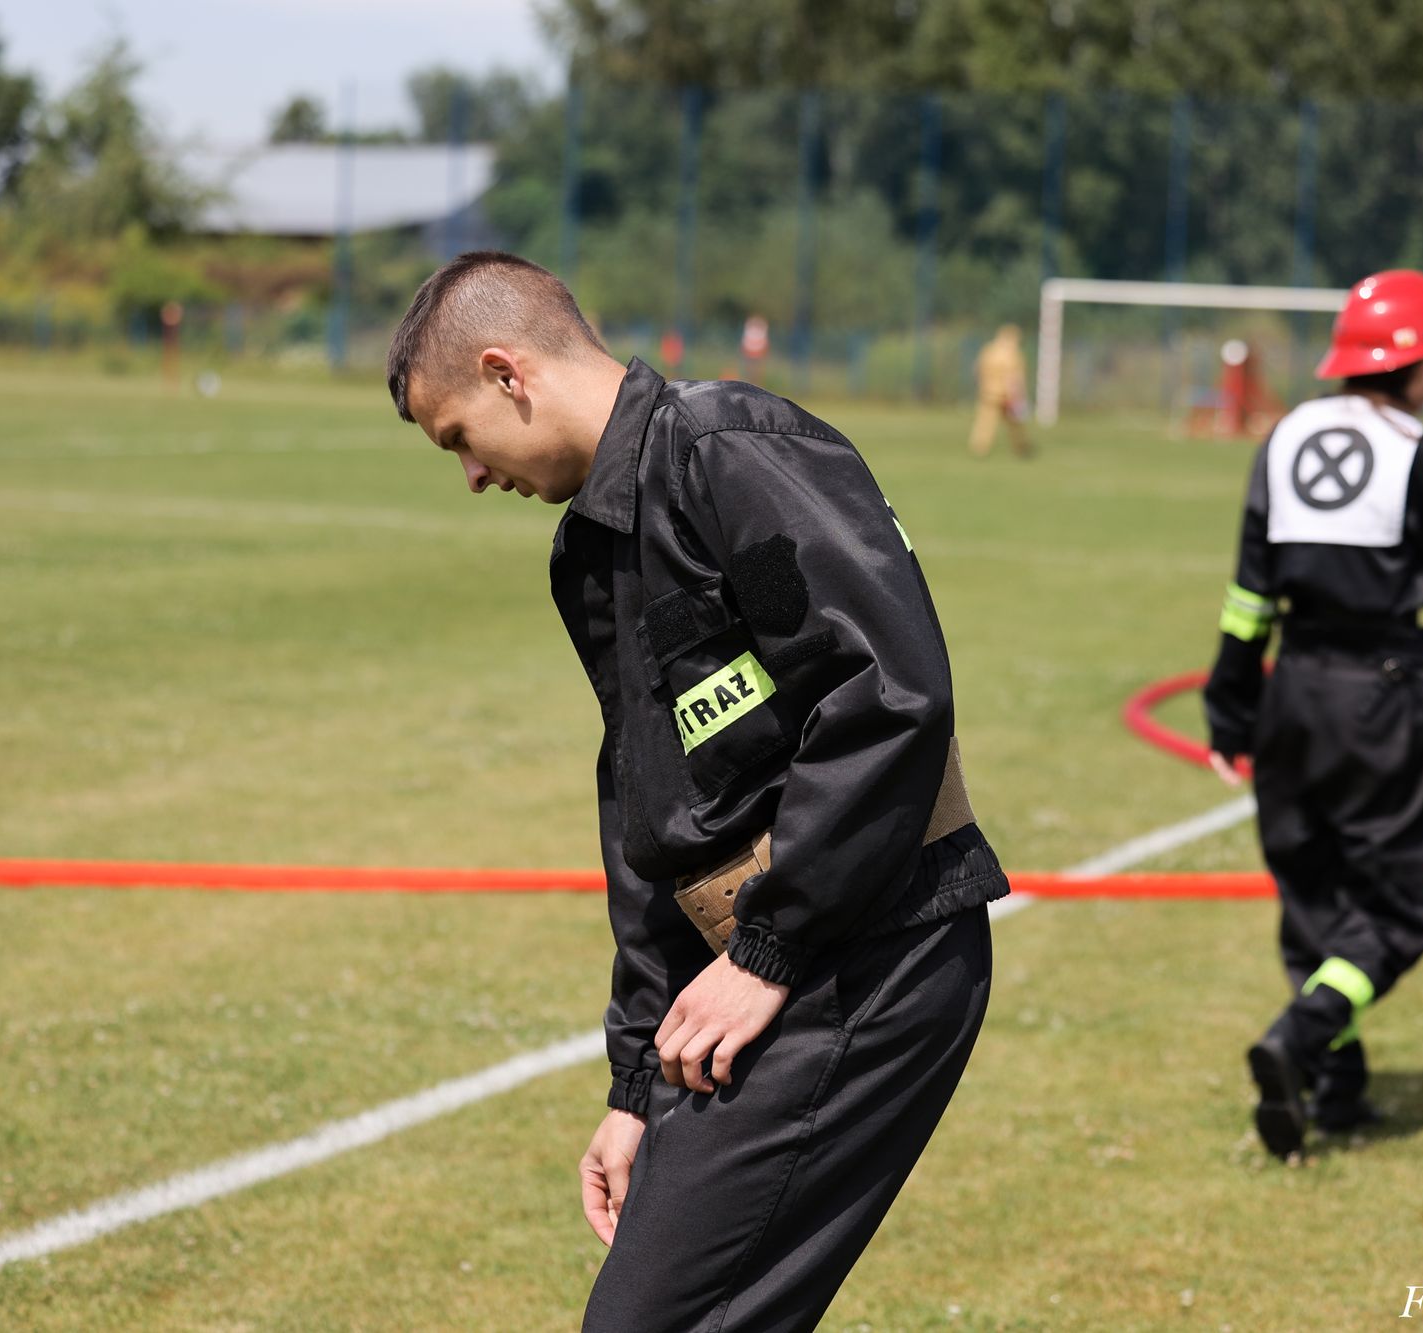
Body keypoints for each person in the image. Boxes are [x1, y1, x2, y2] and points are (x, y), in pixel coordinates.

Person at [385, 251, 1007, 1330]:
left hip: (868, 954)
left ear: (506, 373)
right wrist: (635, 1086)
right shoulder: (593, 548)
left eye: (457, 440)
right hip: (777, 969)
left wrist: (768, 950)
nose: (472, 476)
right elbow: (659, 828)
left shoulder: (730, 453)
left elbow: (889, 693)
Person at [1201, 270, 1423, 1160]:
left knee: (1315, 891)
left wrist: (1229, 705)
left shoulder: (1287, 433)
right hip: (1382, 693)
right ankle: (1300, 1040)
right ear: (1419, 367)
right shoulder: (1417, 447)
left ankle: (1333, 1089)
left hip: (1294, 690)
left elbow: (1251, 591)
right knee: (1397, 914)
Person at [970, 324, 1034, 458]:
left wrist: (981, 386)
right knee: (1016, 423)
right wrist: (1019, 395)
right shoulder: (1014, 354)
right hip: (1007, 394)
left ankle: (979, 448)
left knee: (985, 422)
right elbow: (1015, 377)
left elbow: (977, 369)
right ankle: (1022, 447)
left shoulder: (989, 350)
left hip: (988, 392)